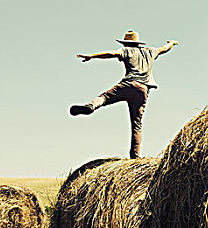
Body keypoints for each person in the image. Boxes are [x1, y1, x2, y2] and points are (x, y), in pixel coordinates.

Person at [71, 30, 179, 159]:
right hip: (143, 90)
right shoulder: (150, 51)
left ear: (126, 43)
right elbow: (164, 49)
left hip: (128, 84)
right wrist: (171, 43)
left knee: (104, 97)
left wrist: (92, 56)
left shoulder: (127, 51)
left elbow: (111, 53)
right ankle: (135, 157)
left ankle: (91, 106)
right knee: (137, 125)